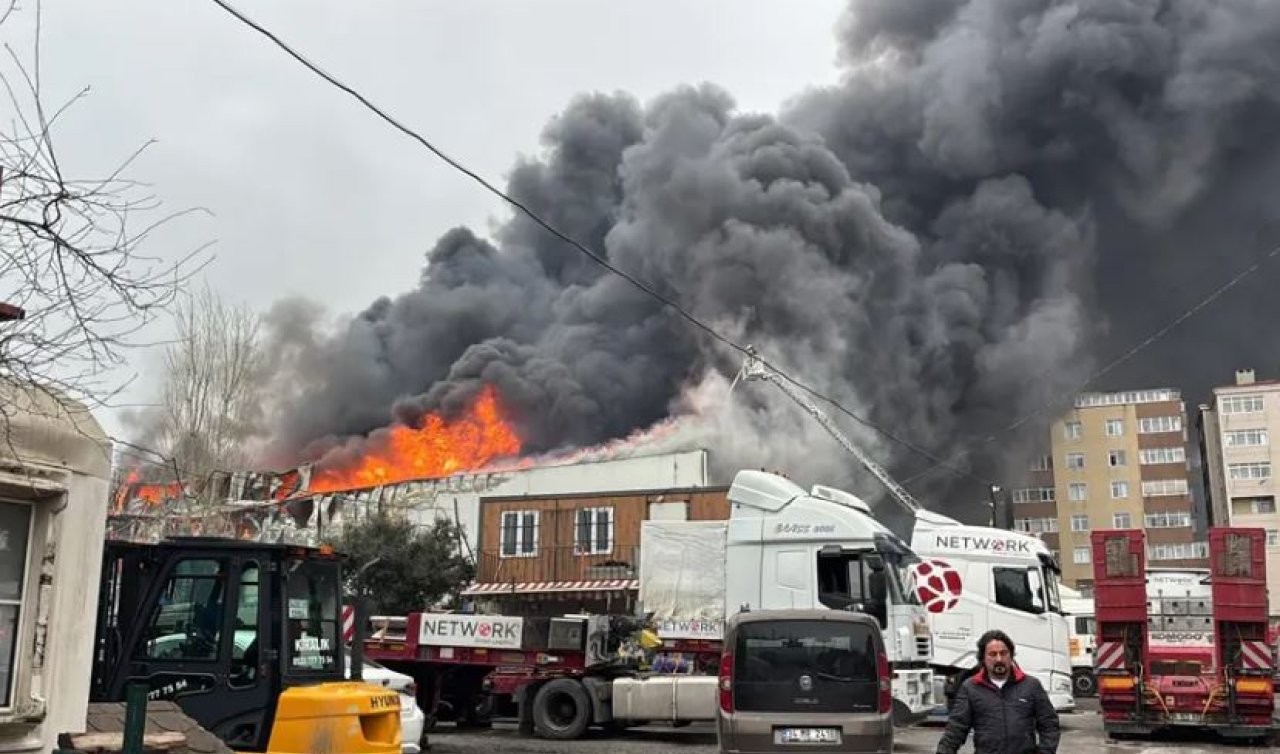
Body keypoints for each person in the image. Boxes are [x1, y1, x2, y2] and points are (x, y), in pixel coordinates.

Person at [935, 629, 1059, 754]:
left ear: (1011, 656)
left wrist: (1046, 751)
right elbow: (955, 729)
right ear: (983, 658)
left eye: (1003, 653)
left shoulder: (1031, 686)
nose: (999, 659)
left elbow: (1049, 725)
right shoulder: (970, 688)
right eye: (992, 654)